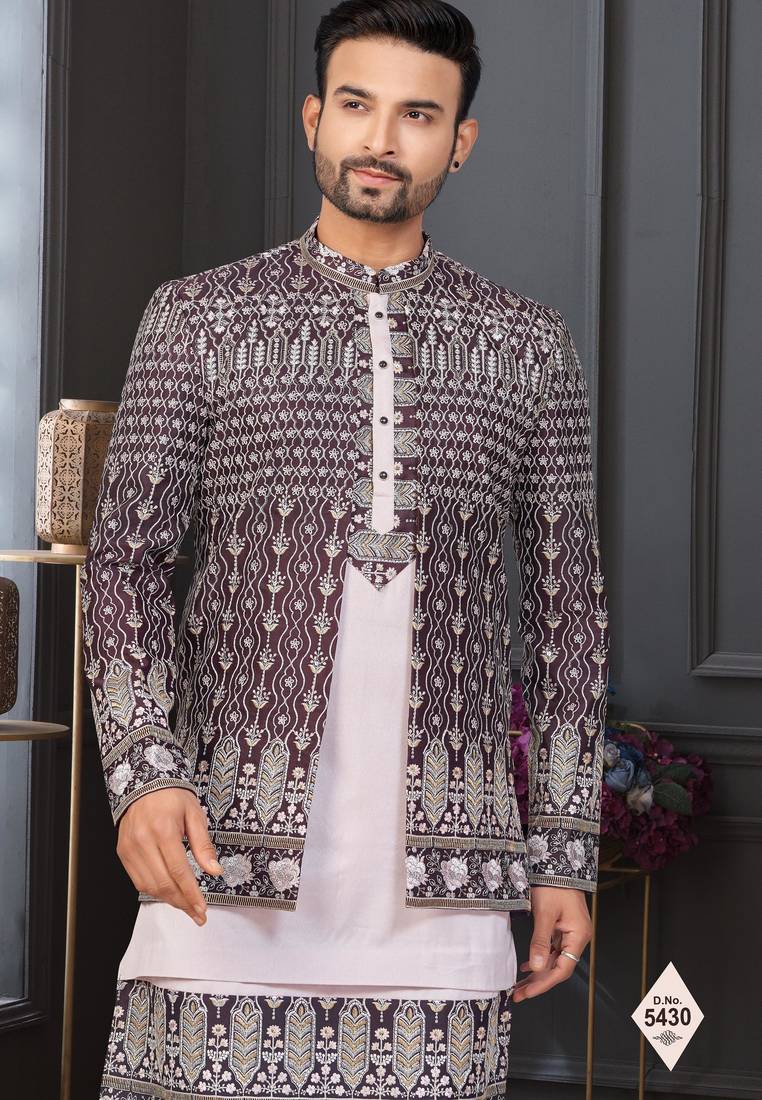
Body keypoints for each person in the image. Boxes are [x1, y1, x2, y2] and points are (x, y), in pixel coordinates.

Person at [81, 2, 610, 1096]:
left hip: (445, 888)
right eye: (358, 105)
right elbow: (125, 562)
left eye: (419, 114)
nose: (381, 138)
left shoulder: (528, 345)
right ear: (315, 118)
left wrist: (564, 852)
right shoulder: (199, 320)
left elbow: (570, 615)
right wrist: (142, 773)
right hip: (225, 862)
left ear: (460, 141)